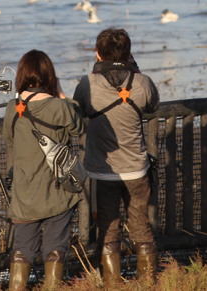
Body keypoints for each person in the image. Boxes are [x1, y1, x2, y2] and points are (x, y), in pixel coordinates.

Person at [73, 28, 160, 283]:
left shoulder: (88, 83)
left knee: (108, 229)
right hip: (136, 167)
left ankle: (112, 283)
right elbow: (152, 108)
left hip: (103, 169)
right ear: (129, 52)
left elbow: (78, 112)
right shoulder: (141, 82)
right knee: (141, 226)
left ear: (98, 53)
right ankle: (147, 283)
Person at [3, 50, 85, 290]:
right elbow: (78, 128)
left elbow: (9, 139)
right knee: (55, 250)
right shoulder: (60, 106)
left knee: (22, 251)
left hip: (24, 193)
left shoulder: (12, 107)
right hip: (57, 190)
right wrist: (61, 94)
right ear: (49, 75)